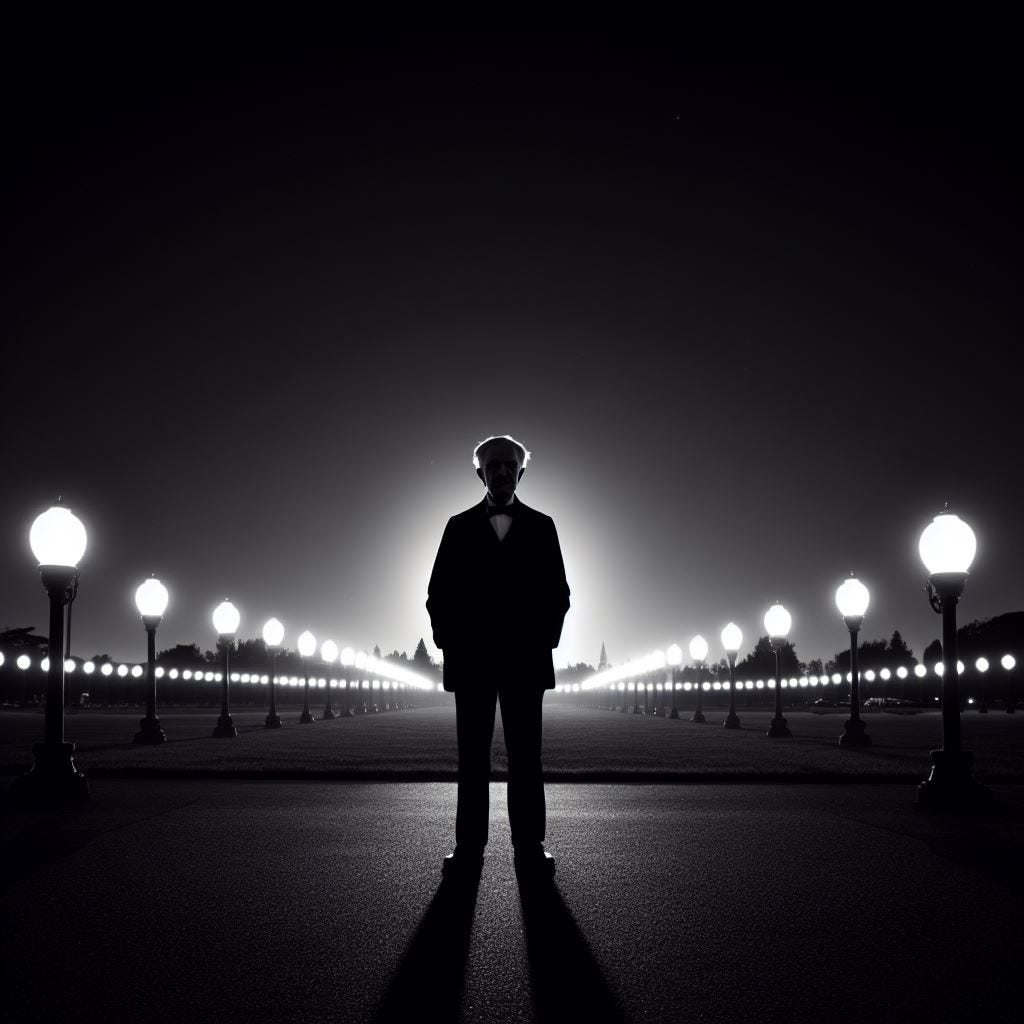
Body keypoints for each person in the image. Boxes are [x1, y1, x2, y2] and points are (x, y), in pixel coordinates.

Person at [426, 434, 570, 878]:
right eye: (494, 466)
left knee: (527, 756)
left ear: (521, 472)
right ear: (480, 473)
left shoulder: (543, 526)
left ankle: (530, 845)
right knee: (473, 757)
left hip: (524, 663)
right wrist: (454, 645)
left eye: (511, 465)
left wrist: (538, 642)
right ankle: (468, 848)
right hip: (472, 664)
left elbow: (558, 596)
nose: (503, 472)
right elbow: (438, 596)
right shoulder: (457, 526)